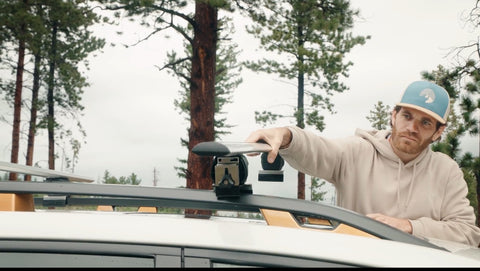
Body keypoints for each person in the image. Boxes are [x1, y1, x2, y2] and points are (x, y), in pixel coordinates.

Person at [246, 80, 480, 247]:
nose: (412, 128)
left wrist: (410, 226)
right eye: (407, 116)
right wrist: (286, 135)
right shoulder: (357, 151)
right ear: (393, 115)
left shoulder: (446, 171)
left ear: (439, 132)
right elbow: (318, 149)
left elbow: (467, 233)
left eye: (426, 122)